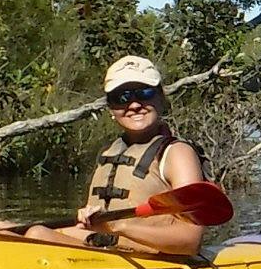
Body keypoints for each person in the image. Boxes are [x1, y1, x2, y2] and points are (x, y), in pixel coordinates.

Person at [12, 56, 213, 258]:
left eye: (144, 93)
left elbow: (189, 241)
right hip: (109, 249)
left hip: (155, 260)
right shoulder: (111, 151)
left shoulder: (177, 154)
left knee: (38, 234)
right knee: (5, 233)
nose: (134, 105)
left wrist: (121, 227)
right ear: (110, 108)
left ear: (161, 98)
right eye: (121, 97)